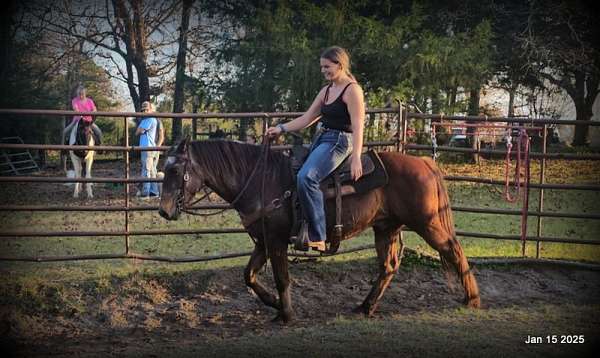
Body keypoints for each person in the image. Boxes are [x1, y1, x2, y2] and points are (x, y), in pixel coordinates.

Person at [266, 46, 365, 252]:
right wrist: (281, 128)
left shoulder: (352, 90)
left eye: (327, 67)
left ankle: (318, 235)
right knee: (293, 173)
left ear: (340, 65)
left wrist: (356, 156)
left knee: (307, 177)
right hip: (321, 139)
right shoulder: (327, 90)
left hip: (339, 141)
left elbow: (358, 124)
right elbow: (307, 118)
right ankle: (297, 225)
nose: (324, 71)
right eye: (322, 67)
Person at [136, 101, 160, 199]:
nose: (145, 111)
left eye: (147, 109)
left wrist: (141, 130)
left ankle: (146, 193)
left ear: (151, 109)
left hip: (148, 147)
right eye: (143, 109)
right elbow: (137, 132)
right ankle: (154, 192)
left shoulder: (150, 119)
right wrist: (140, 130)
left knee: (146, 170)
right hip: (146, 147)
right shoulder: (145, 120)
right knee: (152, 170)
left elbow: (139, 131)